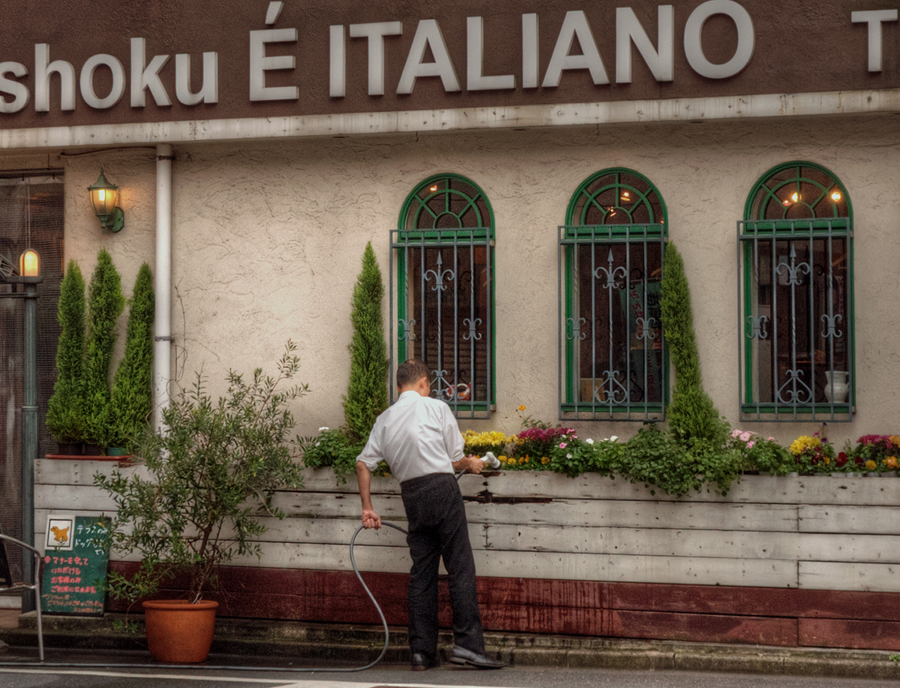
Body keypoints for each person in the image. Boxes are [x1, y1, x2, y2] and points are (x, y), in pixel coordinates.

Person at [356, 359, 506, 672]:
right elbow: (455, 459)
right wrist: (473, 464)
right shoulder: (436, 408)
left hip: (412, 496)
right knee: (459, 567)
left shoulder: (384, 420)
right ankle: (467, 646)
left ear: (399, 386)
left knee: (422, 573)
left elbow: (363, 464)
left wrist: (368, 508)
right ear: (424, 382)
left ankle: (421, 653)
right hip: (442, 489)